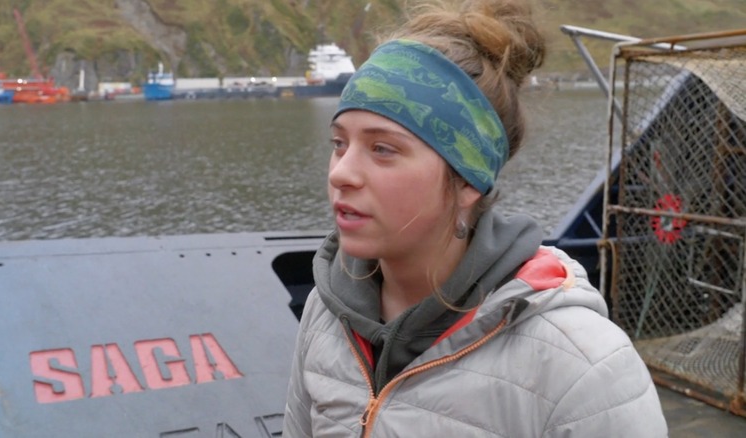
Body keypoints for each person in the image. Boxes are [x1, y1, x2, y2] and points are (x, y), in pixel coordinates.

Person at [282, 0, 668, 436]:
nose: (341, 172)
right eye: (339, 143)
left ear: (468, 181)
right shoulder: (327, 311)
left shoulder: (583, 367)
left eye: (382, 149)